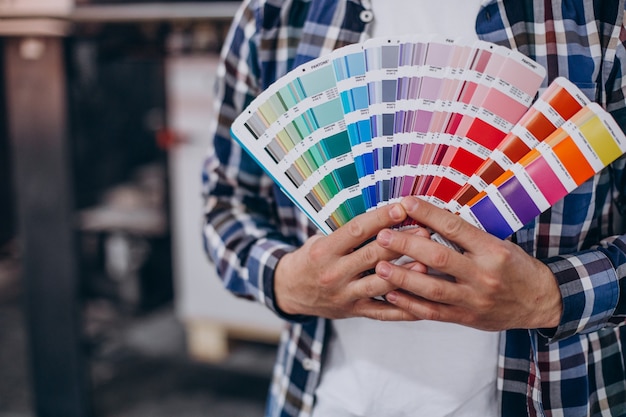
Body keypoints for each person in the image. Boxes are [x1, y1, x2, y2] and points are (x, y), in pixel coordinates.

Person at [202, 0, 626, 415]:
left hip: (553, 397)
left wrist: (548, 296)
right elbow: (226, 204)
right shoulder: (274, 13)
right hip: (322, 399)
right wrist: (285, 281)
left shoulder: (603, 15)